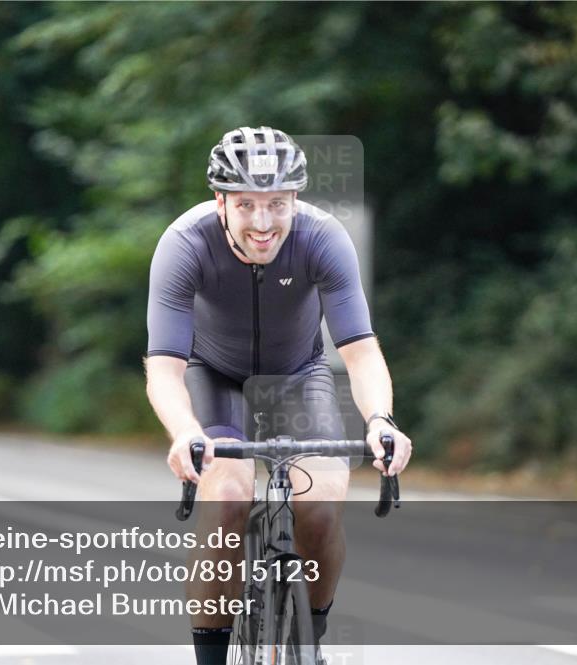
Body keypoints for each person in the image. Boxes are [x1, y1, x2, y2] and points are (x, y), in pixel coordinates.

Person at [145, 126, 412, 664]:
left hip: (299, 376)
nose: (263, 223)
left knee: (319, 508)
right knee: (227, 501)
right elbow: (165, 367)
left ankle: (308, 641)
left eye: (277, 205)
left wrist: (381, 420)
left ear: (296, 199)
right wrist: (185, 432)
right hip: (213, 377)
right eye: (246, 205)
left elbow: (360, 352)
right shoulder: (184, 243)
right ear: (220, 201)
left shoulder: (323, 237)